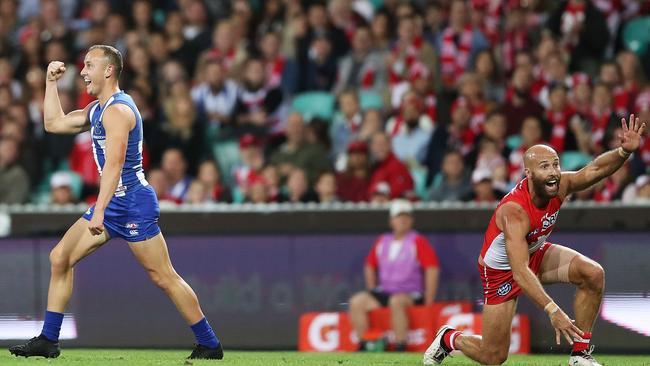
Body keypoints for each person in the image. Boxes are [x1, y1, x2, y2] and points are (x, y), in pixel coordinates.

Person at [8, 45, 223, 360]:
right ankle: (49, 340)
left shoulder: (118, 111)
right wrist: (50, 84)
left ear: (109, 70)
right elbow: (54, 124)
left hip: (132, 202)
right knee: (60, 258)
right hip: (113, 203)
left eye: (89, 65)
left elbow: (115, 165)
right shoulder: (99, 109)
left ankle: (210, 343)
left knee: (163, 276)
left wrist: (101, 209)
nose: (82, 72)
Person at [424, 114, 646, 366]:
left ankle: (579, 355)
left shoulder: (559, 184)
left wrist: (622, 152)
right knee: (493, 356)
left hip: (534, 253)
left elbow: (593, 170)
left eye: (555, 164)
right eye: (545, 167)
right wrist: (553, 311)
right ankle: (448, 339)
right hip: (501, 272)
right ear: (528, 173)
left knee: (592, 274)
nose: (553, 173)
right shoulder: (515, 211)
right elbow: (519, 271)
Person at [349, 199, 439, 352]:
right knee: (356, 302)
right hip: (386, 290)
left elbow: (432, 269)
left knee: (396, 301)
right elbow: (370, 264)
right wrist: (372, 288)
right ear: (391, 221)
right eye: (399, 216)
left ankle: (400, 345)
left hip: (410, 293)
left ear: (411, 220)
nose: (403, 220)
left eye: (406, 216)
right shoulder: (382, 241)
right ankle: (365, 343)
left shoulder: (418, 241)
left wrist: (429, 299)